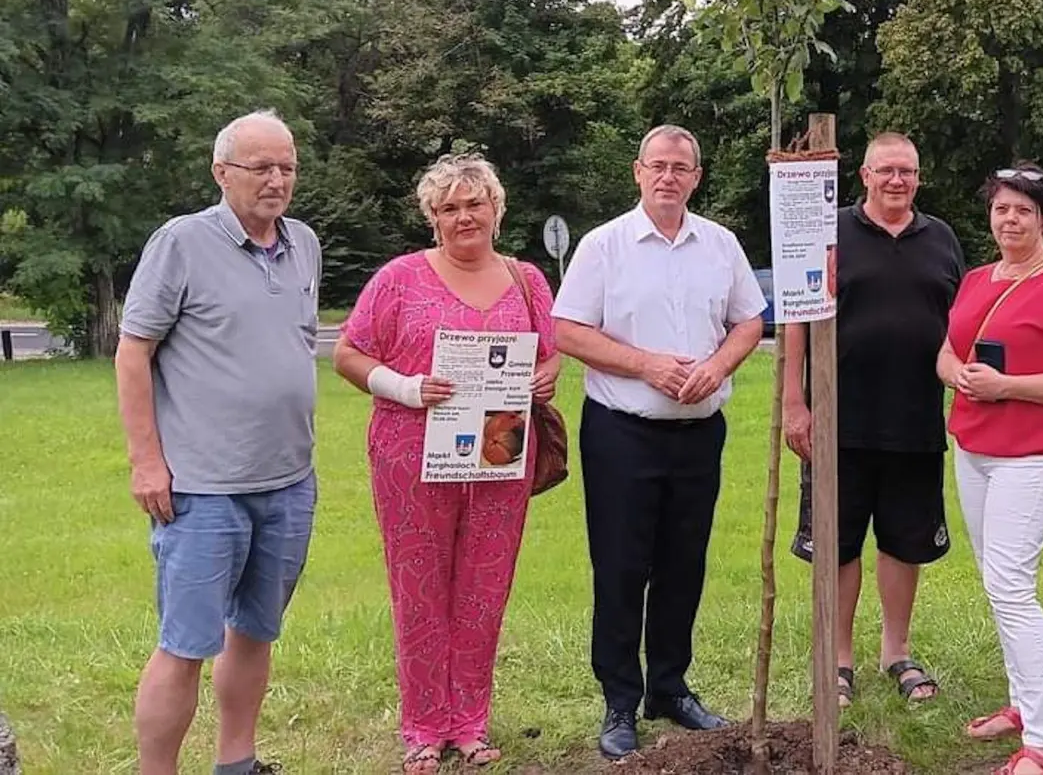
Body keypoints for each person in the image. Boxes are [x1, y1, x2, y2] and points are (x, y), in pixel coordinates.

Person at [331, 154, 560, 772]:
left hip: (500, 452)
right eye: (449, 207)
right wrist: (406, 387)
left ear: (496, 209)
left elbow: (550, 356)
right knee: (420, 589)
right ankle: (425, 727)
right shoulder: (399, 278)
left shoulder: (526, 280)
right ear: (432, 217)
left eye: (474, 204)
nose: (464, 216)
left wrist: (544, 378)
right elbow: (348, 354)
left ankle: (471, 722)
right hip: (412, 457)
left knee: (484, 589)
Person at [553, 125, 768, 760]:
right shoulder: (604, 246)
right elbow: (567, 330)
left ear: (696, 177)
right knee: (621, 565)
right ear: (638, 172)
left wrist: (720, 366)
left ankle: (670, 687)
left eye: (681, 167)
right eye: (658, 166)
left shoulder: (720, 245)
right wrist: (645, 365)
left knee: (684, 563)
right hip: (622, 432)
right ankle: (620, 697)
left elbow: (750, 319)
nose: (669, 177)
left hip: (699, 432)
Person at [116, 110, 321, 775]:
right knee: (185, 645)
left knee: (256, 634)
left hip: (288, 483)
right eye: (260, 167)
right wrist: (147, 460)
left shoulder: (305, 245)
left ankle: (237, 762)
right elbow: (133, 351)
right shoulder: (181, 242)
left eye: (286, 166)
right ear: (221, 172)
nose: (276, 179)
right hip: (202, 492)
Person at [782, 132, 965, 708]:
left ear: (918, 178)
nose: (897, 181)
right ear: (863, 175)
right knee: (836, 544)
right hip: (839, 421)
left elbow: (961, 323)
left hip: (915, 420)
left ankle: (896, 650)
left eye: (907, 172)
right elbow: (795, 319)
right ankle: (839, 660)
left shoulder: (941, 239)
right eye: (886, 170)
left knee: (904, 542)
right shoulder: (828, 232)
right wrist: (793, 400)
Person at [937, 164, 1043, 775]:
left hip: (1031, 452)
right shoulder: (978, 278)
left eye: (1024, 211)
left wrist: (1007, 385)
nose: (1011, 220)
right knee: (998, 583)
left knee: (1008, 584)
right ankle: (1024, 703)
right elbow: (948, 350)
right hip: (973, 445)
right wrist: (958, 374)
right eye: (1002, 209)